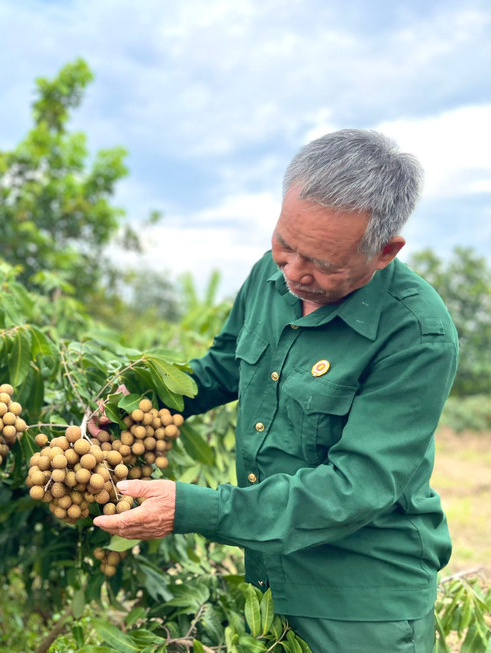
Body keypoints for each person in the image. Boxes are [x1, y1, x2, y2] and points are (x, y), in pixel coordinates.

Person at [94, 129, 458, 653]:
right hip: (268, 577)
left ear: (385, 252)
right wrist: (136, 402)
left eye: (322, 264)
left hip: (361, 601)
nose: (293, 272)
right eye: (285, 244)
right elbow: (221, 368)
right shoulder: (271, 276)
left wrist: (196, 509)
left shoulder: (417, 332)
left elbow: (358, 484)